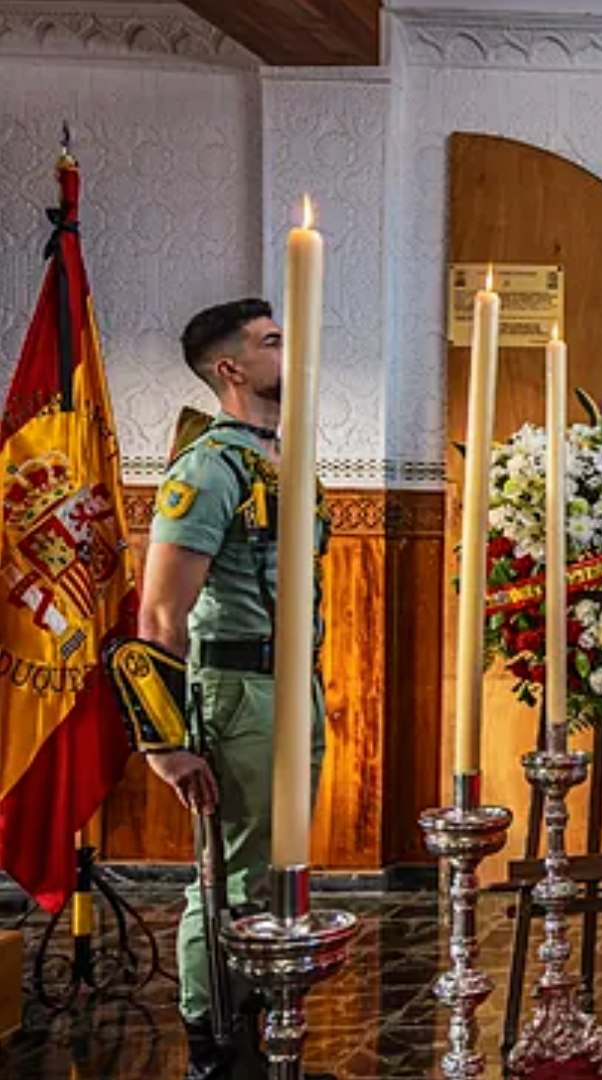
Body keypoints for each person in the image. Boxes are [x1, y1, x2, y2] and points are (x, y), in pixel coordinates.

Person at [138, 299, 329, 1079]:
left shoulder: (285, 457)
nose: (290, 351)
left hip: (293, 685)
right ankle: (215, 1046)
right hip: (236, 688)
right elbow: (159, 611)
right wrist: (166, 743)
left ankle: (264, 1038)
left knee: (281, 870)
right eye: (272, 342)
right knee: (229, 873)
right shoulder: (208, 470)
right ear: (232, 369)